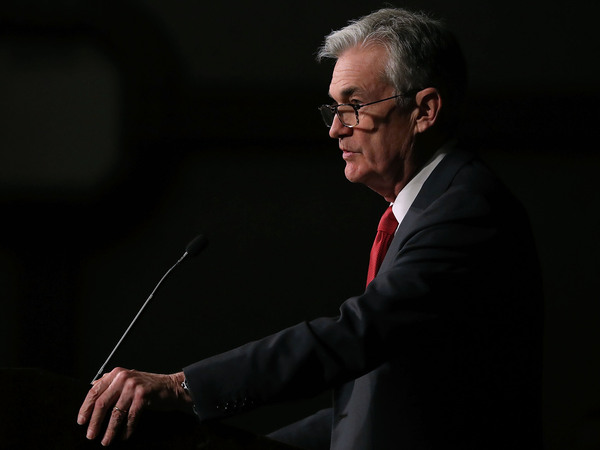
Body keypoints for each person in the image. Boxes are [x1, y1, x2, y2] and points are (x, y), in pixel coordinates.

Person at [78, 7, 543, 449]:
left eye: (355, 105)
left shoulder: (464, 210)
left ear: (425, 110)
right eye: (332, 109)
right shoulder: (429, 207)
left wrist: (184, 387)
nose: (335, 129)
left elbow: (356, 334)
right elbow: (375, 401)